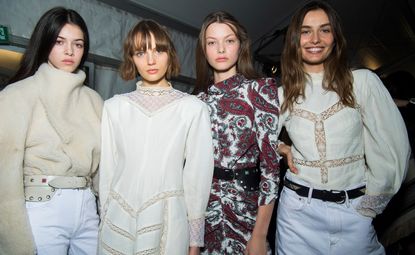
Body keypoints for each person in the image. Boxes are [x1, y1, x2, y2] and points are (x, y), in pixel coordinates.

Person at [275, 1, 411, 254]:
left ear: (335, 37)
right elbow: (254, 141)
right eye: (305, 31)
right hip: (296, 215)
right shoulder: (283, 95)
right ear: (294, 39)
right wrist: (281, 147)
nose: (315, 39)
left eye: (324, 30)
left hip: (354, 212)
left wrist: (369, 207)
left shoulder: (362, 82)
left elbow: (392, 146)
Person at [98, 20, 214, 255]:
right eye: (141, 52)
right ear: (132, 58)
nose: (150, 60)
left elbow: (197, 180)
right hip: (118, 218)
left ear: (170, 54)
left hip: (170, 221)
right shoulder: (114, 108)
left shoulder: (193, 108)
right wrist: (103, 219)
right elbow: (107, 173)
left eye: (158, 50)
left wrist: (194, 242)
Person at [0, 7, 103, 255]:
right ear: (45, 42)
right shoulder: (16, 95)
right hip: (40, 206)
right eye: (59, 42)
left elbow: (103, 169)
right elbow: (5, 173)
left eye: (78, 44)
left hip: (88, 207)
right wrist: (12, 235)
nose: (69, 51)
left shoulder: (94, 100)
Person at [194, 11, 280, 255]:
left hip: (247, 211)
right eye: (212, 42)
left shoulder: (260, 90)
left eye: (229, 40)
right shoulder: (196, 101)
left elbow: (271, 168)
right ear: (204, 49)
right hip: (205, 211)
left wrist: (260, 234)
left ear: (240, 45)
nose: (221, 49)